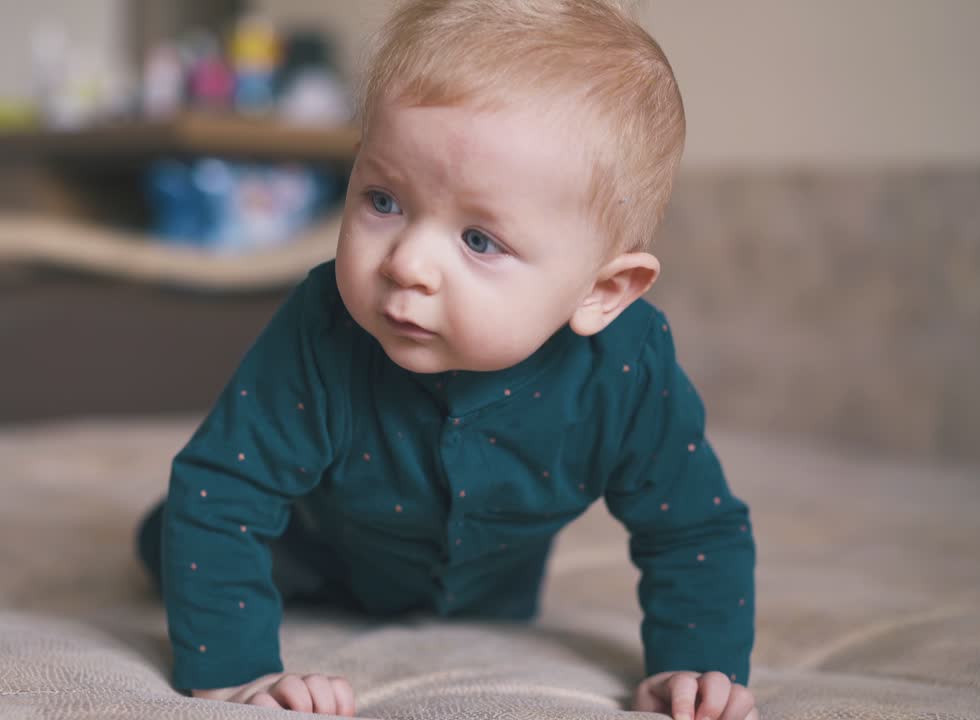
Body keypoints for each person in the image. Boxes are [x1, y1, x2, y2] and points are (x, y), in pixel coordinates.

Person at [137, 1, 757, 718]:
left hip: (493, 590)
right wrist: (235, 676)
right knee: (173, 539)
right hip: (314, 547)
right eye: (383, 200)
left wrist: (695, 667)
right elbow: (222, 490)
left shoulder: (626, 370)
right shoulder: (324, 327)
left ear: (601, 290)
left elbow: (695, 527)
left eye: (480, 241)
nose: (407, 264)